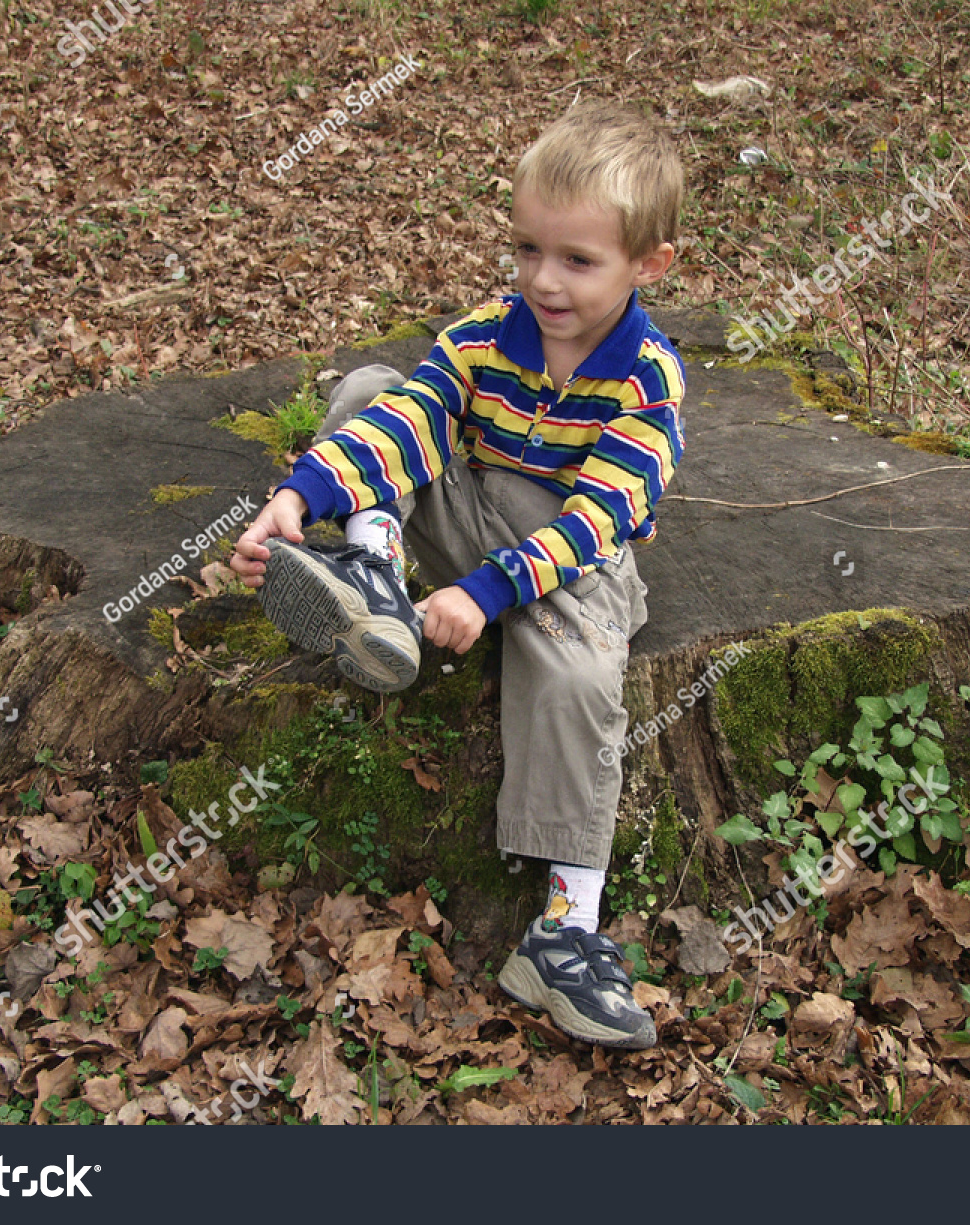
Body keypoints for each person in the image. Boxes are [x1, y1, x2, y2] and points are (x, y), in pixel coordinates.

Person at [231, 100, 685, 1050]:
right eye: (527, 250)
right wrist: (298, 495)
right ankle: (371, 573)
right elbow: (413, 422)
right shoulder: (484, 336)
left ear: (651, 265)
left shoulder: (647, 378)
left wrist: (484, 594)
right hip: (463, 515)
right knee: (367, 391)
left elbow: (600, 517)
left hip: (570, 556)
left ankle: (565, 926)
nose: (542, 281)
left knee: (578, 677)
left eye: (577, 259)